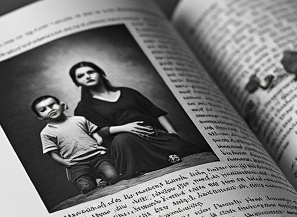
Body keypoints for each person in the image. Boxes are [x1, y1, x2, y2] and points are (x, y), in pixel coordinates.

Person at [70, 61, 204, 178]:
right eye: (81, 76)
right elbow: (95, 133)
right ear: (77, 82)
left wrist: (171, 131)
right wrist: (125, 128)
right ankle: (165, 158)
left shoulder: (128, 92)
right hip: (126, 143)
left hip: (154, 135)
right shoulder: (84, 107)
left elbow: (154, 111)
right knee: (124, 140)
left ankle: (165, 155)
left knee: (191, 149)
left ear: (100, 73)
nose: (87, 76)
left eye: (90, 72)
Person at [31, 94, 119, 195]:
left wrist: (98, 138)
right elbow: (52, 153)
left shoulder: (79, 119)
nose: (49, 110)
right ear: (39, 117)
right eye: (43, 110)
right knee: (86, 187)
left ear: (62, 105)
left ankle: (101, 180)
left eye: (52, 105)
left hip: (97, 156)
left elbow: (93, 130)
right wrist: (65, 162)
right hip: (77, 164)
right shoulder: (46, 133)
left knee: (113, 176)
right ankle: (91, 181)